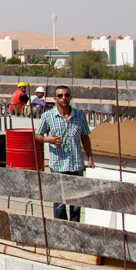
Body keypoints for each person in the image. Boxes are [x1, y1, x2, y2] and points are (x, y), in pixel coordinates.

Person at [36, 85, 93, 221]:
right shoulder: (48, 116)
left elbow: (85, 137)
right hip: (58, 166)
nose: (64, 98)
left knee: (76, 204)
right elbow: (37, 135)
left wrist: (90, 158)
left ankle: (74, 232)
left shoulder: (79, 116)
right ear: (55, 98)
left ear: (70, 97)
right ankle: (61, 233)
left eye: (66, 95)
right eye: (60, 96)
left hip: (76, 165)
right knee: (60, 204)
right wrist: (47, 139)